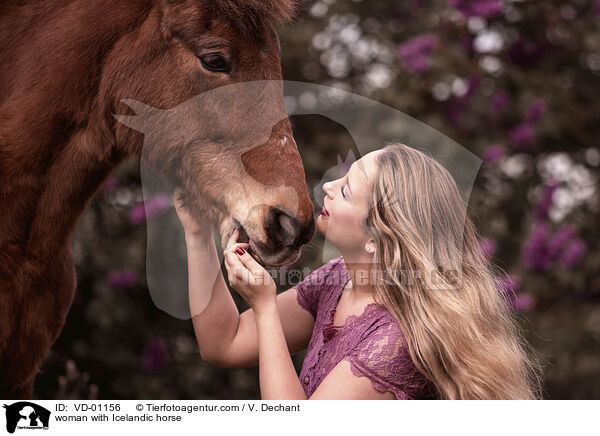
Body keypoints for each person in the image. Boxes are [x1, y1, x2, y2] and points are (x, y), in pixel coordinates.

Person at [174, 143, 543, 400]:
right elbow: (225, 342)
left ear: (377, 237)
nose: (329, 187)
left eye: (347, 191)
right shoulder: (337, 281)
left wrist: (266, 307)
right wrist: (198, 234)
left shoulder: (399, 343)